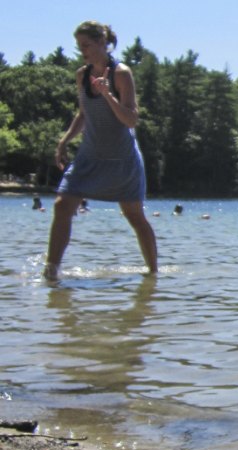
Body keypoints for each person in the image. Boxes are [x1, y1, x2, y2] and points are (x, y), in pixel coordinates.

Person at [43, 21, 157, 281]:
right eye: (79, 46)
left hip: (121, 160)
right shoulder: (81, 75)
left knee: (135, 217)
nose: (83, 51)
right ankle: (51, 273)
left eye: (87, 45)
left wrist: (107, 95)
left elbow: (130, 119)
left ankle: (153, 275)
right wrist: (65, 140)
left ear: (103, 43)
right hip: (89, 157)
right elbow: (84, 113)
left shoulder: (121, 73)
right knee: (62, 206)